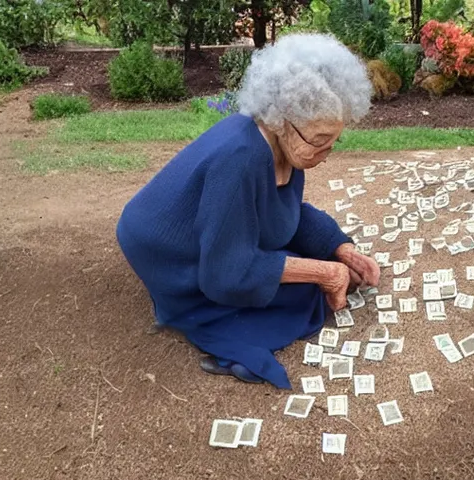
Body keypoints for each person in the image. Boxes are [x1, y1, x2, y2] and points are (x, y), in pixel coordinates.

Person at [116, 34, 379, 388]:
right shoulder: (241, 158)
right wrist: (323, 273)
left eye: (335, 140)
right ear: (280, 121)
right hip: (168, 252)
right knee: (303, 295)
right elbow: (225, 272)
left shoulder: (287, 146)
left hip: (206, 234)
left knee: (300, 268)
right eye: (319, 140)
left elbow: (284, 213)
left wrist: (340, 248)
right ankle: (222, 335)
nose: (327, 151)